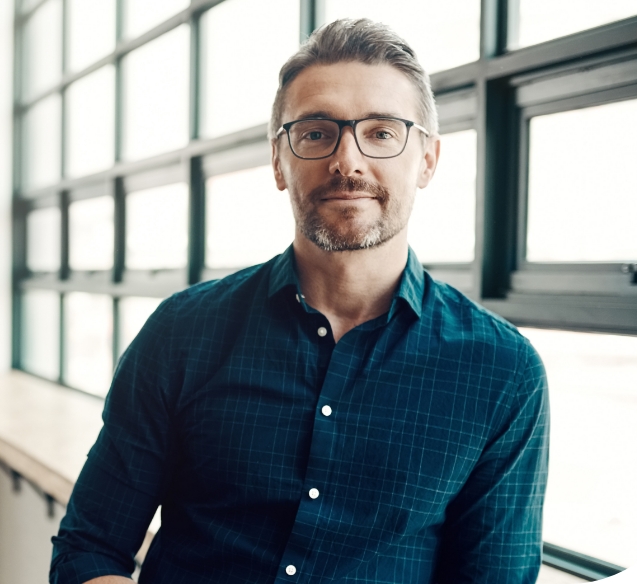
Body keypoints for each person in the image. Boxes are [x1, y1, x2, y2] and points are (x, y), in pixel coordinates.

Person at [50, 18, 549, 584]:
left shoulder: (502, 373)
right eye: (316, 132)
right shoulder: (182, 333)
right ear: (278, 162)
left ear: (428, 159)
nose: (348, 161)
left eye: (382, 132)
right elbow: (88, 548)